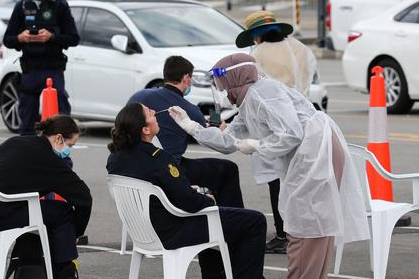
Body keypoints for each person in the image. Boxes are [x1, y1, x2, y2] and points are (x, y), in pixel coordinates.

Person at [169, 53, 369, 279]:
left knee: (306, 222)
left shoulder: (262, 93)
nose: (224, 93)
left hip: (316, 150)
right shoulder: (248, 99)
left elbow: (292, 133)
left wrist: (257, 145)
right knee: (311, 220)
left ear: (235, 79)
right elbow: (228, 141)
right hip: (311, 151)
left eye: (224, 87)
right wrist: (192, 127)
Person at [107, 103, 266, 279]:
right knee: (254, 221)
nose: (154, 111)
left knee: (221, 220)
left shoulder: (115, 158)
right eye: (149, 113)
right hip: (172, 231)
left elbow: (162, 189)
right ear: (145, 129)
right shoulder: (158, 159)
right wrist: (208, 199)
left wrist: (192, 193)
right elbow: (189, 202)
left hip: (144, 230)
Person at [235, 10, 319, 253]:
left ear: (256, 36)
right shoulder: (302, 48)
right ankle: (302, 231)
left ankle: (283, 234)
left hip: (276, 124)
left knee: (276, 180)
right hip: (307, 120)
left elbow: (255, 90)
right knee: (300, 181)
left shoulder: (257, 55)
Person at [0, 115, 92, 279]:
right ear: (58, 138)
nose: (68, 152)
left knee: (41, 211)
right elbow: (84, 199)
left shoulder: (15, 142)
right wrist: (76, 233)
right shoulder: (49, 159)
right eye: (70, 145)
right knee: (62, 212)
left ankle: (29, 263)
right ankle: (64, 271)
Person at [127, 56, 244, 208]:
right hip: (169, 169)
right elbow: (209, 138)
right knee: (228, 169)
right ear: (186, 78)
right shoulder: (189, 110)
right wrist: (218, 129)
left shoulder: (139, 96)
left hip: (136, 164)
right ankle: (232, 222)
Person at [3, 0, 80, 136]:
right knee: (27, 122)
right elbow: (8, 39)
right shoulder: (22, 6)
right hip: (30, 70)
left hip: (53, 69)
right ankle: (28, 155)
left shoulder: (60, 5)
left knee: (60, 118)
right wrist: (21, 37)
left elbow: (73, 38)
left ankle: (60, 155)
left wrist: (51, 37)